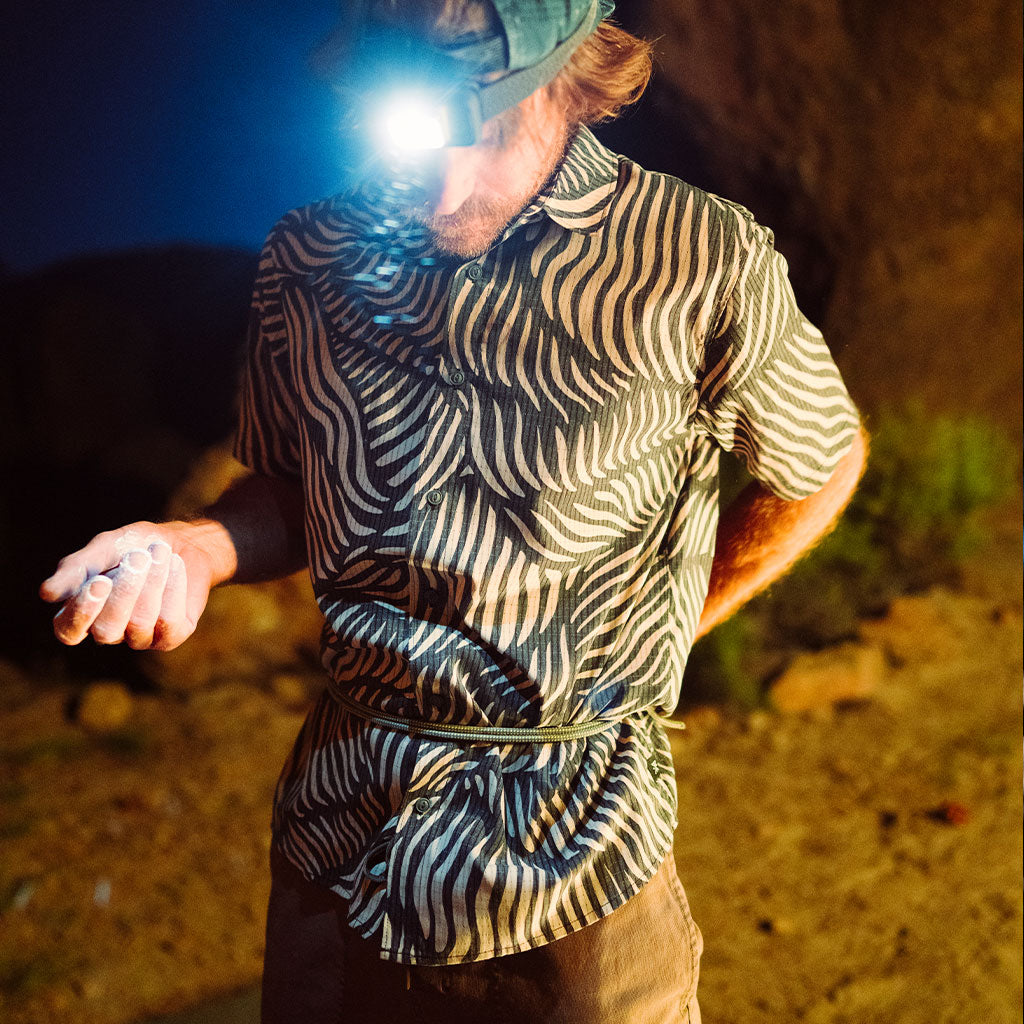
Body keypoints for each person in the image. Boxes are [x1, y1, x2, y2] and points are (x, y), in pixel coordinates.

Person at [40, 1, 867, 1021]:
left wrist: (684, 623)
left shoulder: (700, 255)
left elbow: (819, 462)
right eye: (411, 127)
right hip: (338, 851)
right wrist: (193, 545)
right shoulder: (308, 260)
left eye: (485, 125)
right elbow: (292, 489)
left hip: (574, 873)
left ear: (571, 83)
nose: (440, 180)